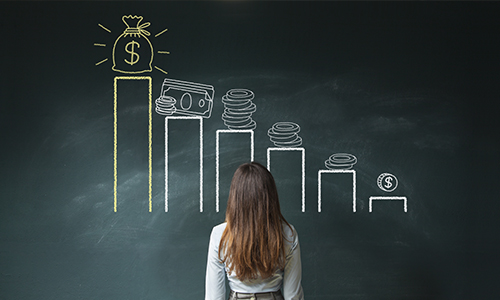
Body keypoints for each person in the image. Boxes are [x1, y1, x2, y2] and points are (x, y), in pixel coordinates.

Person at [205, 162, 304, 300]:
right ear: (270, 196)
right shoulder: (288, 233)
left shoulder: (219, 234)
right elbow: (292, 295)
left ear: (235, 196)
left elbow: (214, 297)